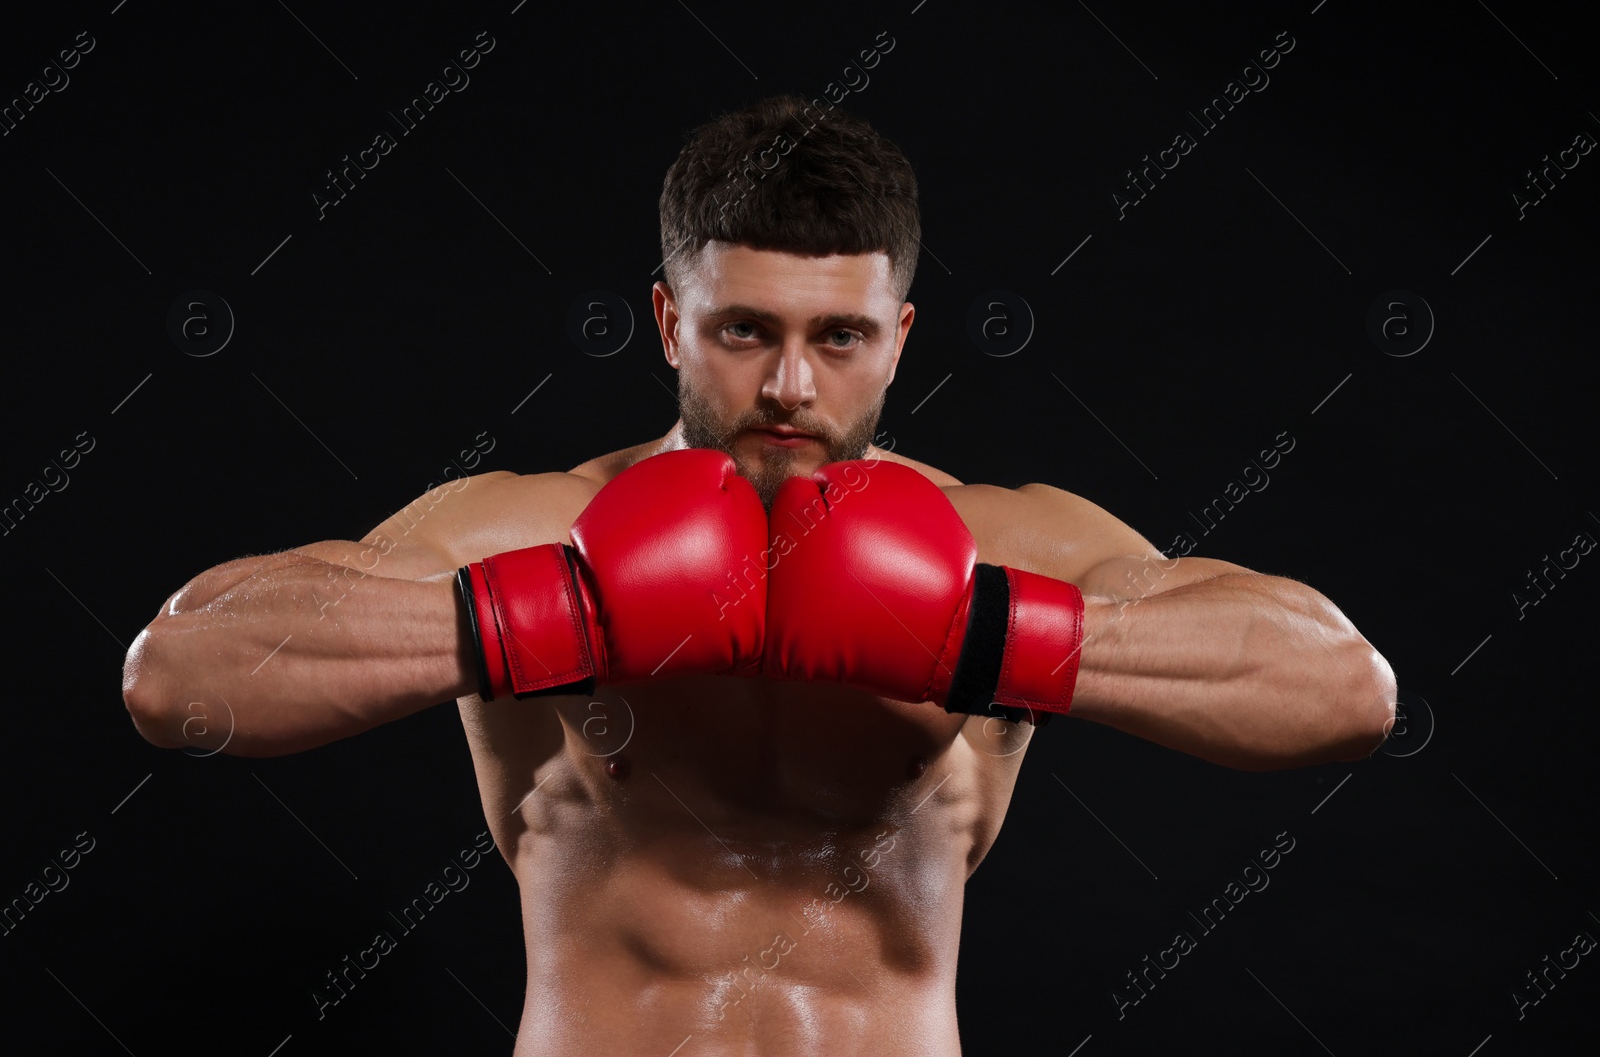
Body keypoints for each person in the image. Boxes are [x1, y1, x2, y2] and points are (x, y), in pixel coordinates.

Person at [120, 93, 1396, 1055]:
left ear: (896, 339)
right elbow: (180, 676)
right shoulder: (537, 523)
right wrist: (557, 613)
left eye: (837, 336)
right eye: (745, 331)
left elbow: (1342, 690)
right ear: (674, 321)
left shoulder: (996, 544)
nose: (790, 384)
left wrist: (981, 635)